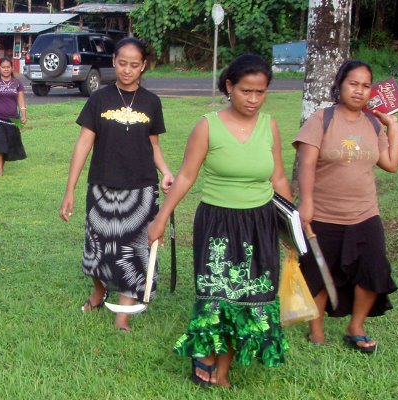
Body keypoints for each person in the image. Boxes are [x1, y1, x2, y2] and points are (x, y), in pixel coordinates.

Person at [148, 54, 291, 388]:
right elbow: (185, 177)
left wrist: (295, 224)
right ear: (229, 86)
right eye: (246, 91)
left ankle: (222, 364)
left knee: (252, 294)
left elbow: (280, 178)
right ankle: (210, 359)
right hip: (218, 224)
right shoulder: (207, 125)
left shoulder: (269, 126)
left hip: (261, 223)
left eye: (261, 92)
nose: (254, 99)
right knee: (218, 293)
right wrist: (160, 218)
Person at [59, 37, 174, 332]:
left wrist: (166, 172)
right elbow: (84, 144)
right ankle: (99, 290)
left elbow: (154, 145)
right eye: (122, 63)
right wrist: (70, 189)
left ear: (143, 66)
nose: (127, 70)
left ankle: (123, 313)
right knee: (97, 248)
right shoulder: (99, 98)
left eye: (134, 65)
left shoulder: (151, 102)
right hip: (102, 186)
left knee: (134, 250)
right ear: (113, 61)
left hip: (141, 189)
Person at [293, 60, 398, 352]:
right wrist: (307, 202)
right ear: (340, 85)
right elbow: (306, 163)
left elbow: (391, 163)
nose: (359, 90)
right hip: (324, 212)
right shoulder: (322, 119)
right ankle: (316, 330)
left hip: (365, 212)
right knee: (319, 272)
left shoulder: (372, 123)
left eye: (366, 85)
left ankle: (356, 325)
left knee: (373, 267)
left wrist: (393, 126)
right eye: (353, 83)